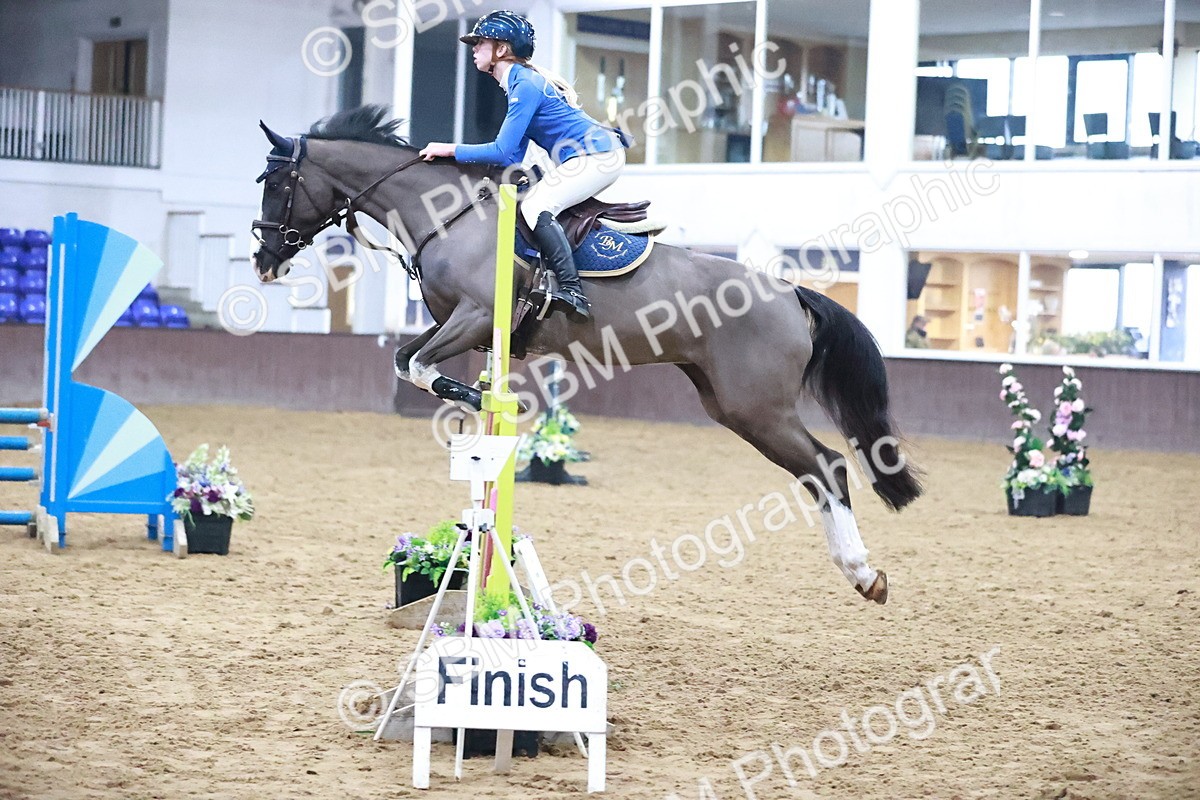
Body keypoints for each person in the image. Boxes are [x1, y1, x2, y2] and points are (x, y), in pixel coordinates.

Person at [419, 10, 630, 322]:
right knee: (529, 201)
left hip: (598, 156)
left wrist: (448, 149)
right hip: (591, 156)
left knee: (536, 207)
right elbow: (509, 157)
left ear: (501, 49)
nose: (474, 48)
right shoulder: (518, 83)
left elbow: (501, 148)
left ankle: (572, 291)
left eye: (480, 42)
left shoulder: (525, 85)